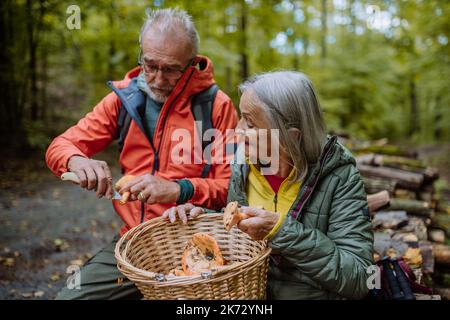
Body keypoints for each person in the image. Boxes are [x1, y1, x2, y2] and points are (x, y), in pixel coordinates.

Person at [45, 8, 238, 299]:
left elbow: (230, 188)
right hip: (134, 240)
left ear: (192, 64)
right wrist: (76, 159)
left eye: (170, 69)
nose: (158, 79)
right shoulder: (123, 100)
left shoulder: (214, 107)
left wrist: (178, 189)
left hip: (197, 242)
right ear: (141, 56)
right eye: (150, 65)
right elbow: (60, 146)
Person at [165, 71, 374, 300]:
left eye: (251, 124)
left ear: (290, 137)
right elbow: (239, 236)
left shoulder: (340, 178)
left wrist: (281, 231)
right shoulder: (244, 165)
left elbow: (361, 277)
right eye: (241, 118)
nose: (237, 131)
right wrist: (204, 218)